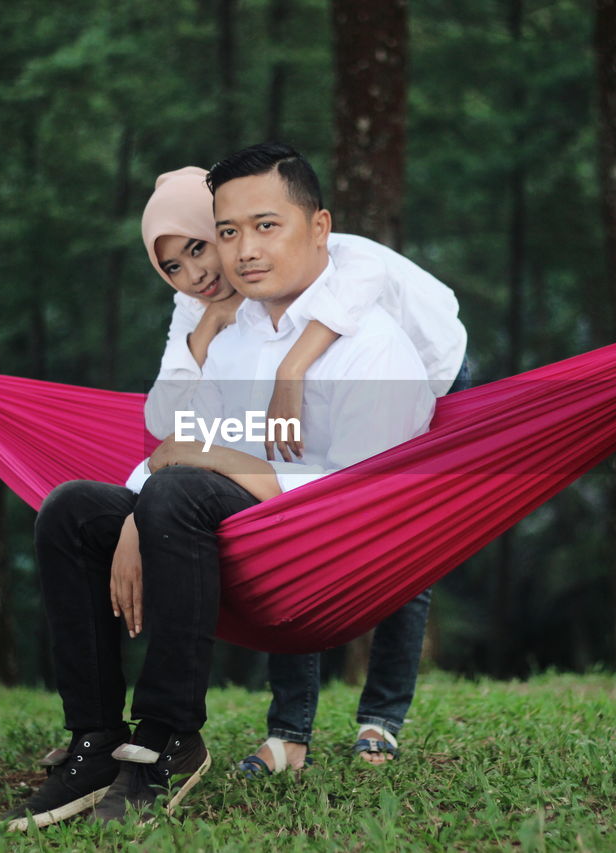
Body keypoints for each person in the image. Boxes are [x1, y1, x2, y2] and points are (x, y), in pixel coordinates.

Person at [3, 142, 436, 830]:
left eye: (267, 226)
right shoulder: (232, 336)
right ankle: (95, 739)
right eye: (228, 232)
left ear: (319, 228)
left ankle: (171, 734)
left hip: (319, 560)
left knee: (175, 492)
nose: (242, 251)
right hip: (223, 542)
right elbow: (178, 450)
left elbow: (358, 505)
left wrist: (212, 467)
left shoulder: (374, 346)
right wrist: (134, 517)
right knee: (74, 508)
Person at [138, 160, 469, 775]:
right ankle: (291, 731)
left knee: (406, 548)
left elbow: (344, 475)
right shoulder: (202, 304)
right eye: (173, 267)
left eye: (202, 247)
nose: (202, 272)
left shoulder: (343, 261)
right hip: (316, 430)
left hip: (431, 372)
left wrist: (292, 367)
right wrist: (201, 336)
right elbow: (168, 422)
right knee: (283, 535)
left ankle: (382, 718)